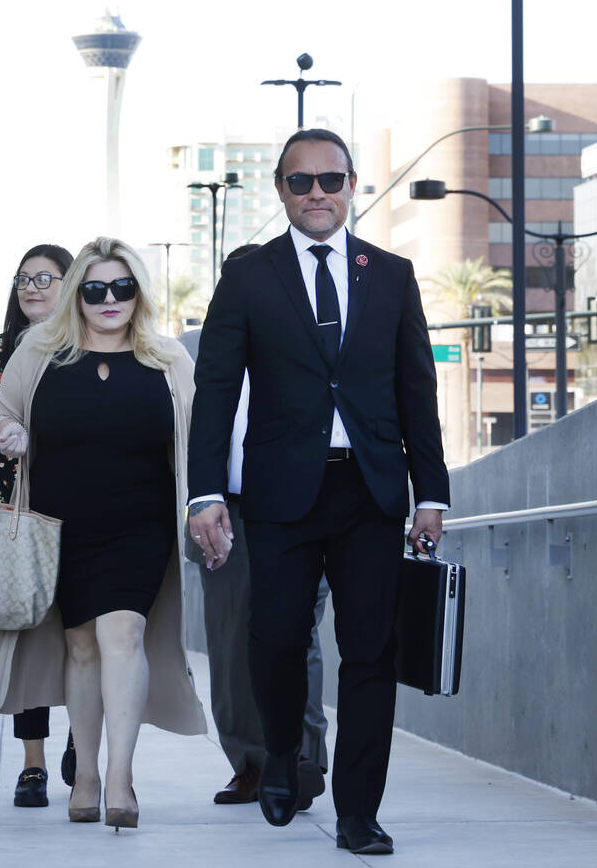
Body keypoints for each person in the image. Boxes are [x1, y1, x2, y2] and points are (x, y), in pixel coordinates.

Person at [187, 129, 450, 856]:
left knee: (370, 653)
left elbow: (416, 392)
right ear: (280, 190)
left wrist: (432, 492)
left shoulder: (390, 275)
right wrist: (204, 493)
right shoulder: (249, 278)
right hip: (280, 495)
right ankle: (279, 751)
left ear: (352, 184)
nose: (317, 195)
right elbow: (215, 391)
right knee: (274, 639)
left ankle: (359, 813)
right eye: (301, 183)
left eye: (330, 180)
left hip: (369, 493)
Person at [0, 236, 206, 831]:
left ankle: (119, 779)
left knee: (124, 632)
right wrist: (8, 434)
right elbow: (2, 414)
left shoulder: (168, 359)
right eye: (94, 289)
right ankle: (84, 773)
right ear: (77, 294)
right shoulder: (40, 350)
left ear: (138, 291)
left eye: (122, 287)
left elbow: (200, 439)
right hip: (61, 523)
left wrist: (210, 509)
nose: (110, 299)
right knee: (80, 645)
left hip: (140, 522)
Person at [180, 245, 329, 810]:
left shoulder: (312, 340)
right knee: (230, 638)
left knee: (299, 633)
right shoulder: (200, 354)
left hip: (300, 504)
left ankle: (301, 759)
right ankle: (250, 763)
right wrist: (200, 505)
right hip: (227, 510)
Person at [0, 244, 76, 809]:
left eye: (44, 278)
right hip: (11, 512)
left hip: (80, 508)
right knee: (27, 635)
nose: (31, 288)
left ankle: (84, 735)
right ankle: (33, 765)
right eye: (23, 279)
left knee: (85, 632)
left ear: (69, 282)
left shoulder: (87, 344)